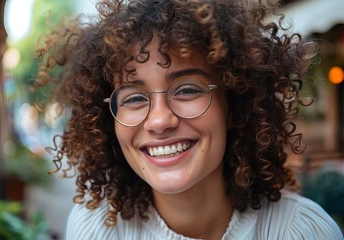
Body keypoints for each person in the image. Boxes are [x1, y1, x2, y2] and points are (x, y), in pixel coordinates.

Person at [37, 0, 344, 239]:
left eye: (186, 90)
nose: (159, 121)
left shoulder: (303, 232)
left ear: (233, 105)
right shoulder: (96, 229)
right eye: (133, 97)